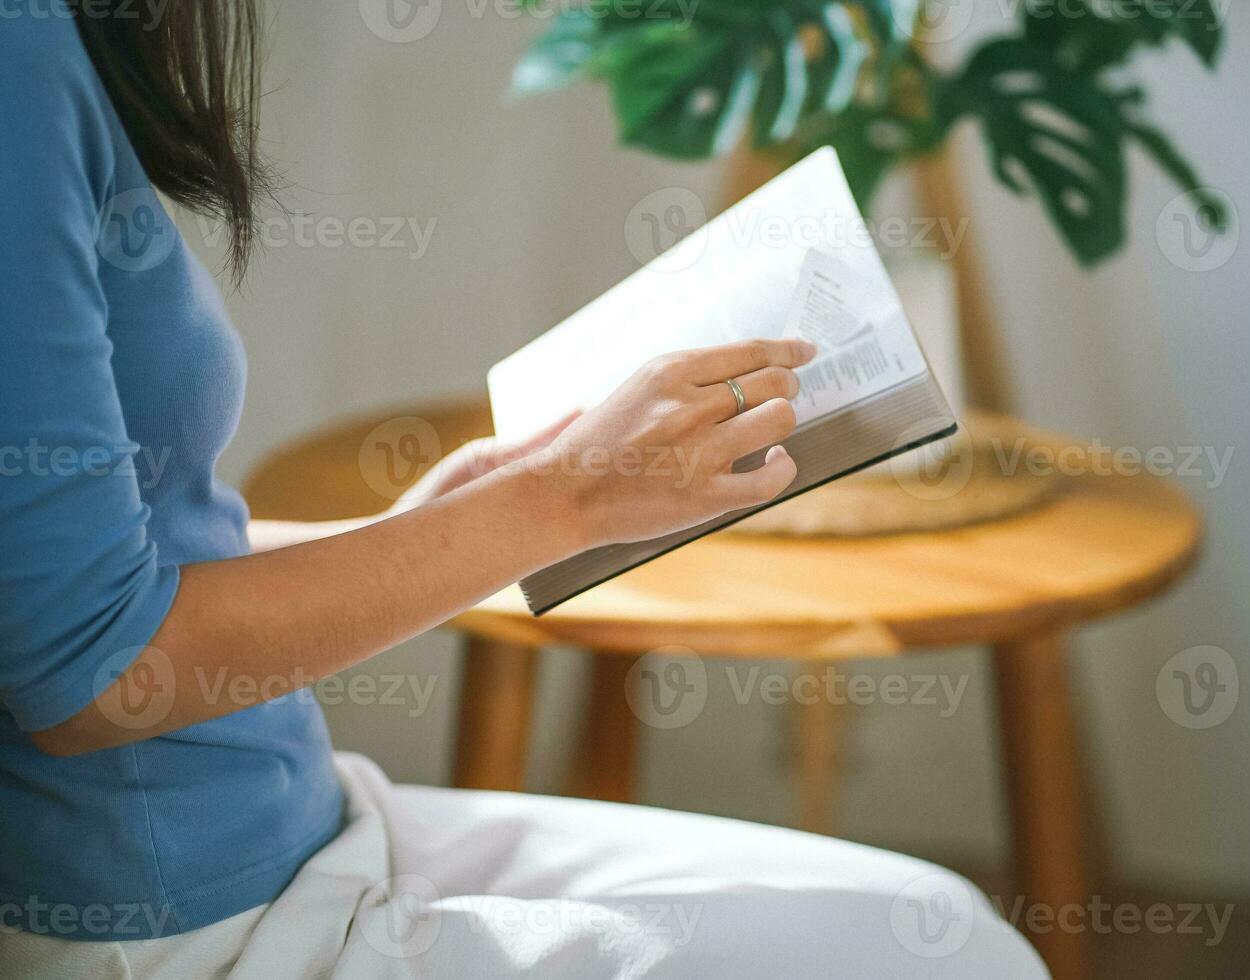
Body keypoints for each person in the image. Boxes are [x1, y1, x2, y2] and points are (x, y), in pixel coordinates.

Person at [0, 6, 1047, 977]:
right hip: (181, 921)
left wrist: (421, 531)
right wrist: (559, 498)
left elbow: (98, 565)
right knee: (951, 957)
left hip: (292, 822)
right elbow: (93, 672)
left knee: (947, 919)